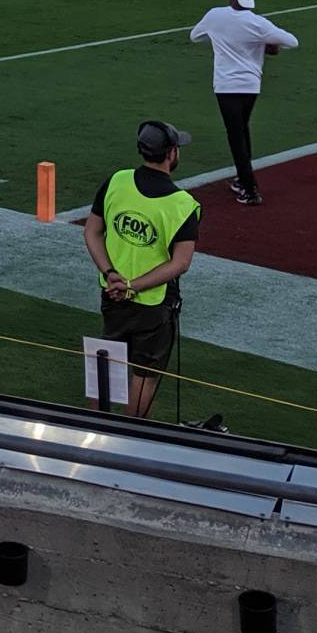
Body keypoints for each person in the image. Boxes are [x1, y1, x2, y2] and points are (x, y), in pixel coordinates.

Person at [83, 119, 200, 419]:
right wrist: (133, 285)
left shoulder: (116, 181)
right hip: (153, 304)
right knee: (144, 376)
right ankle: (132, 438)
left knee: (106, 365)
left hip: (112, 296)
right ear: (172, 153)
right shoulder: (183, 204)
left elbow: (92, 232)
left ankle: (95, 431)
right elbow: (180, 263)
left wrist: (111, 275)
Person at [189, 0, 298, 206]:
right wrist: (265, 44)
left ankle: (250, 189)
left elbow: (195, 36)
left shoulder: (215, 16)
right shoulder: (259, 24)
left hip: (226, 86)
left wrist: (221, 38)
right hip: (251, 86)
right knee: (241, 129)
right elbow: (291, 42)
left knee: (235, 135)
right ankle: (242, 179)